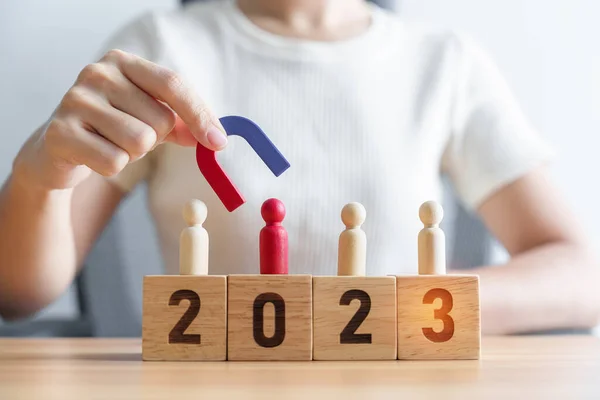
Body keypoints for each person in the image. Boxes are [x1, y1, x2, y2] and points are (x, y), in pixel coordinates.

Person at [0, 0, 598, 335]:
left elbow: (580, 278)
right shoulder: (159, 46)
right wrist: (38, 173)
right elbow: (19, 293)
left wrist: (393, 310)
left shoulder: (442, 61)